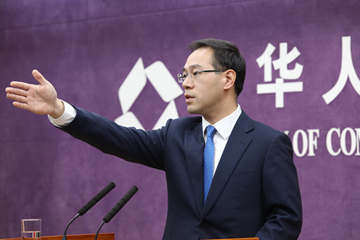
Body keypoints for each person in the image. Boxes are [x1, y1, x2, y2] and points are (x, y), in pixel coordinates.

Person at [5, 38, 302, 240]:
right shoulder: (176, 134)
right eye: (183, 75)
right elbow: (118, 137)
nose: (185, 83)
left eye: (195, 74)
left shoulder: (267, 143)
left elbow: (286, 219)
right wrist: (60, 109)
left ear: (228, 78)